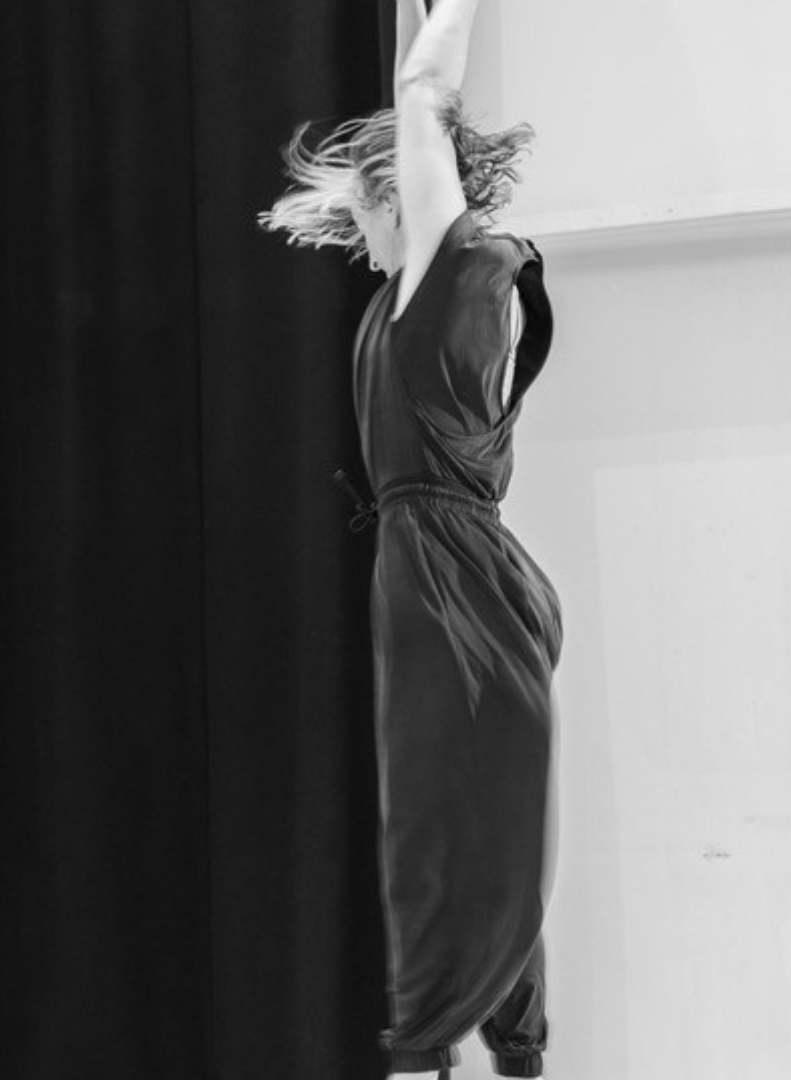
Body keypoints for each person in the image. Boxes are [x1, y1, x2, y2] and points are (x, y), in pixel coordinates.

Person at [259, 2, 560, 1077]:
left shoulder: (446, 265)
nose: (363, 239)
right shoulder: (426, 287)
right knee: (462, 823)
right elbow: (412, 82)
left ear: (402, 194)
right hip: (443, 567)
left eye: (367, 213)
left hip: (449, 576)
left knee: (442, 827)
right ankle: (483, 1043)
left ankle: (441, 1044)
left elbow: (423, 91)